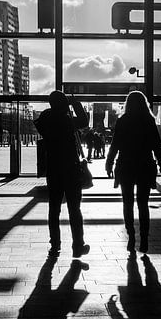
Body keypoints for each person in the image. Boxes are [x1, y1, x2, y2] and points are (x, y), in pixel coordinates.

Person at [105, 91, 161, 254]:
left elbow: (115, 144)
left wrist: (109, 162)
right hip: (145, 165)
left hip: (126, 165)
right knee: (143, 204)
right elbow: (156, 145)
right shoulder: (149, 121)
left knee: (127, 203)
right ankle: (144, 238)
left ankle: (131, 235)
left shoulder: (123, 121)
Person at [35, 90, 90, 257]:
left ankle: (55, 244)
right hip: (71, 169)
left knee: (54, 209)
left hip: (54, 170)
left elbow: (43, 122)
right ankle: (78, 245)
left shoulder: (45, 120)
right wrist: (76, 104)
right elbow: (84, 121)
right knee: (75, 209)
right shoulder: (66, 120)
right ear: (63, 103)